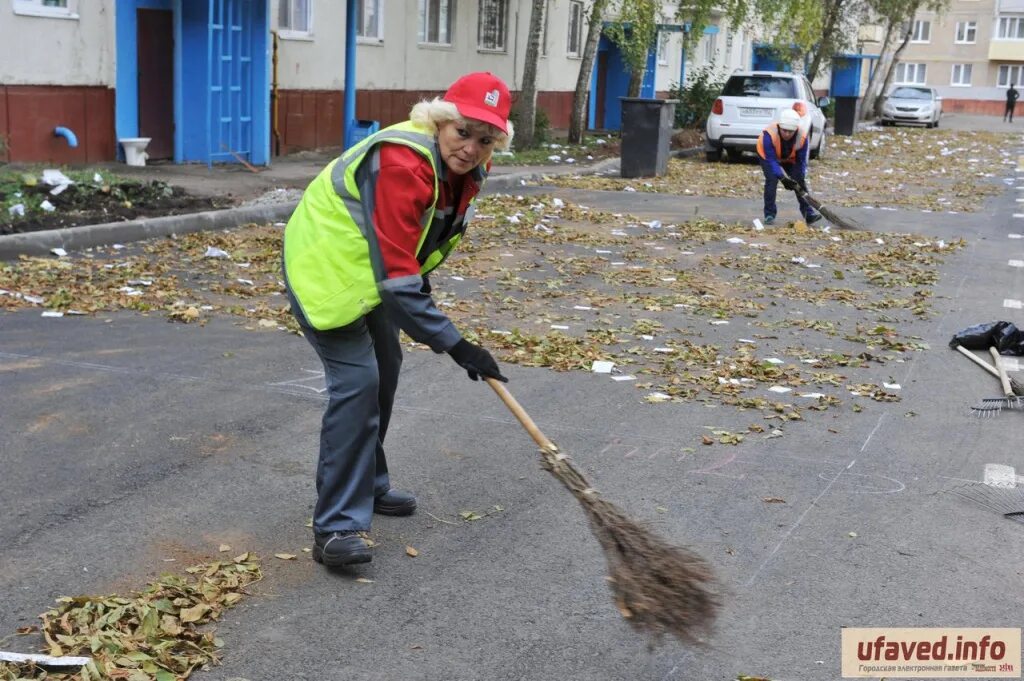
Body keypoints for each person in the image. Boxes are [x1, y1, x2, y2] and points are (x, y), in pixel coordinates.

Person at [282, 72, 513, 567]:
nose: (471, 148)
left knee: (385, 370)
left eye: (485, 139)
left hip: (371, 274)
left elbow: (414, 245)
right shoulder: (402, 162)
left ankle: (366, 483)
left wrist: (430, 315)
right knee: (359, 382)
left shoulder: (465, 173)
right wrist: (457, 345)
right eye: (463, 132)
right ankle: (337, 527)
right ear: (440, 121)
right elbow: (396, 274)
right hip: (325, 272)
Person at [756, 108, 821, 226]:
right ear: (779, 126)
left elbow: (801, 162)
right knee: (772, 180)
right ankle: (769, 214)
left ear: (796, 129)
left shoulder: (802, 137)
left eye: (790, 131)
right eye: (784, 130)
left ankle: (808, 213)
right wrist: (782, 178)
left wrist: (798, 177)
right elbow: (771, 160)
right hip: (768, 156)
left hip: (788, 158)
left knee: (799, 180)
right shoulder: (769, 135)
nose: (787, 134)